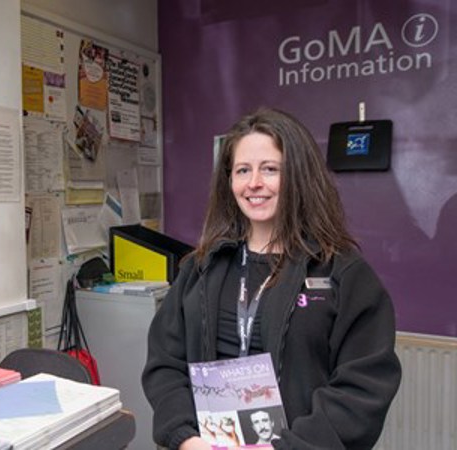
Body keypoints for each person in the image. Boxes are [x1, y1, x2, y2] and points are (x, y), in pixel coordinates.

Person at [141, 107, 401, 449]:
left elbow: (363, 387)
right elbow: (165, 364)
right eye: (242, 170)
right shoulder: (201, 268)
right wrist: (185, 437)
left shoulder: (343, 274)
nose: (254, 184)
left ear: (299, 177)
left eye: (270, 169)